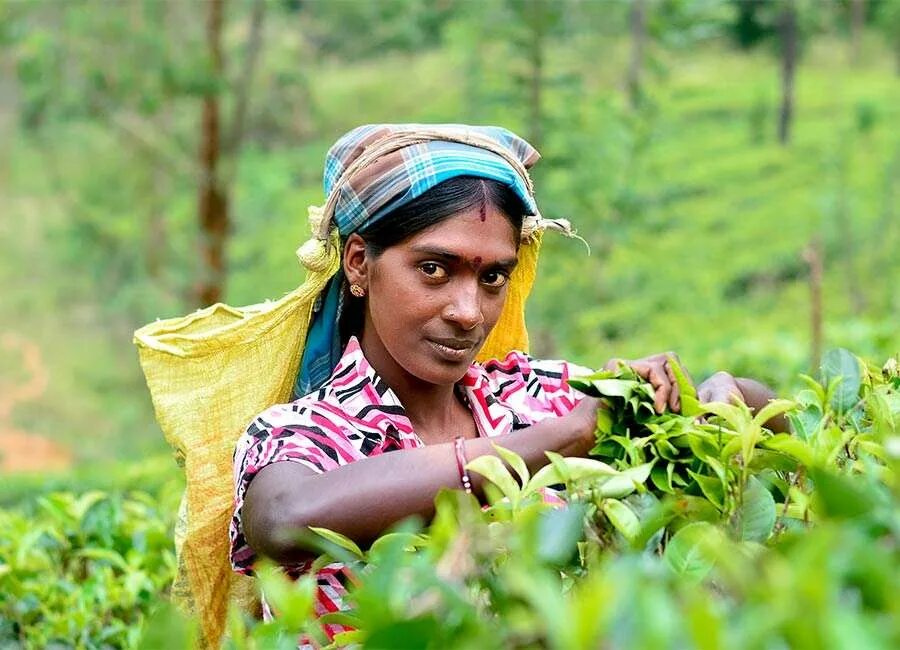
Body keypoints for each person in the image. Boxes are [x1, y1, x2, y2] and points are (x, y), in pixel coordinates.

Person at [229, 124, 783, 637]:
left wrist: (716, 395)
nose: (468, 311)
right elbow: (283, 520)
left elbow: (779, 420)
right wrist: (560, 440)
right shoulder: (303, 433)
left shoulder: (534, 396)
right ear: (358, 263)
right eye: (434, 270)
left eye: (493, 276)